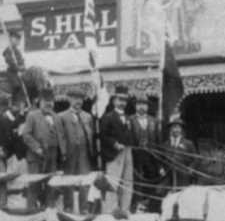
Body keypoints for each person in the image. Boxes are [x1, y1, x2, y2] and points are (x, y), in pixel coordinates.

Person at [99, 85, 134, 213]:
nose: (122, 103)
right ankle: (110, 211)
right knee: (113, 183)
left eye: (124, 100)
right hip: (114, 154)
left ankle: (125, 209)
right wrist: (114, 144)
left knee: (127, 182)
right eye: (120, 100)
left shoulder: (129, 118)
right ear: (114, 101)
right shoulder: (108, 117)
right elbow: (103, 135)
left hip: (127, 152)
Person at [128, 94, 162, 209]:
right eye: (139, 104)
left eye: (144, 104)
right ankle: (136, 205)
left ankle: (151, 205)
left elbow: (158, 140)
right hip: (136, 156)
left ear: (147, 107)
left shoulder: (154, 121)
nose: (141, 107)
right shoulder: (130, 120)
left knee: (152, 179)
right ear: (135, 106)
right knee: (137, 181)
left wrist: (158, 159)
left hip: (152, 156)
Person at [56, 91, 96, 175]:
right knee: (70, 180)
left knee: (85, 178)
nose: (78, 101)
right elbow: (61, 137)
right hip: (69, 154)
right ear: (69, 100)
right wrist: (63, 153)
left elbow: (91, 136)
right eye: (75, 99)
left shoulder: (88, 116)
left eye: (80, 99)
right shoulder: (61, 116)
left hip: (84, 154)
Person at [22, 88, 59, 173]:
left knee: (50, 183)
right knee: (35, 184)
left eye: (51, 101)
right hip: (35, 157)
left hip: (51, 157)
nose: (48, 103)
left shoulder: (56, 116)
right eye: (46, 101)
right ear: (40, 102)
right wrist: (37, 147)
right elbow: (26, 134)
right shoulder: (32, 115)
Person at [163, 116, 196, 189]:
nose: (175, 130)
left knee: (182, 195)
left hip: (183, 176)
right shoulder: (166, 144)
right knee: (162, 193)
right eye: (173, 128)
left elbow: (195, 159)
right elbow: (161, 159)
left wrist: (191, 168)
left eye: (178, 127)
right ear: (170, 129)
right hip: (169, 175)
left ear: (181, 129)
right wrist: (161, 168)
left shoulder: (188, 143)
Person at [3, 30, 27, 105]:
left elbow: (22, 61)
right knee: (16, 85)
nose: (17, 41)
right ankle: (13, 100)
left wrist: (22, 68)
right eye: (15, 39)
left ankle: (24, 101)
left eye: (18, 39)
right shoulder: (8, 50)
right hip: (12, 72)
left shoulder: (18, 51)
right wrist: (18, 68)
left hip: (20, 72)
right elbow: (10, 62)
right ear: (11, 39)